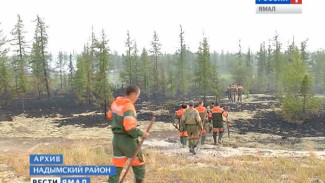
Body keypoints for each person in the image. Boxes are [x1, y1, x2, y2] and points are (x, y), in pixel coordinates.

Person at [106, 85, 149, 183]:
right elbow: (129, 127)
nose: (137, 98)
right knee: (139, 164)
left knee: (116, 166)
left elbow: (109, 115)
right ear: (133, 94)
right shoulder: (128, 106)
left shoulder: (115, 103)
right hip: (128, 140)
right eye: (137, 95)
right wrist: (142, 133)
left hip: (116, 140)